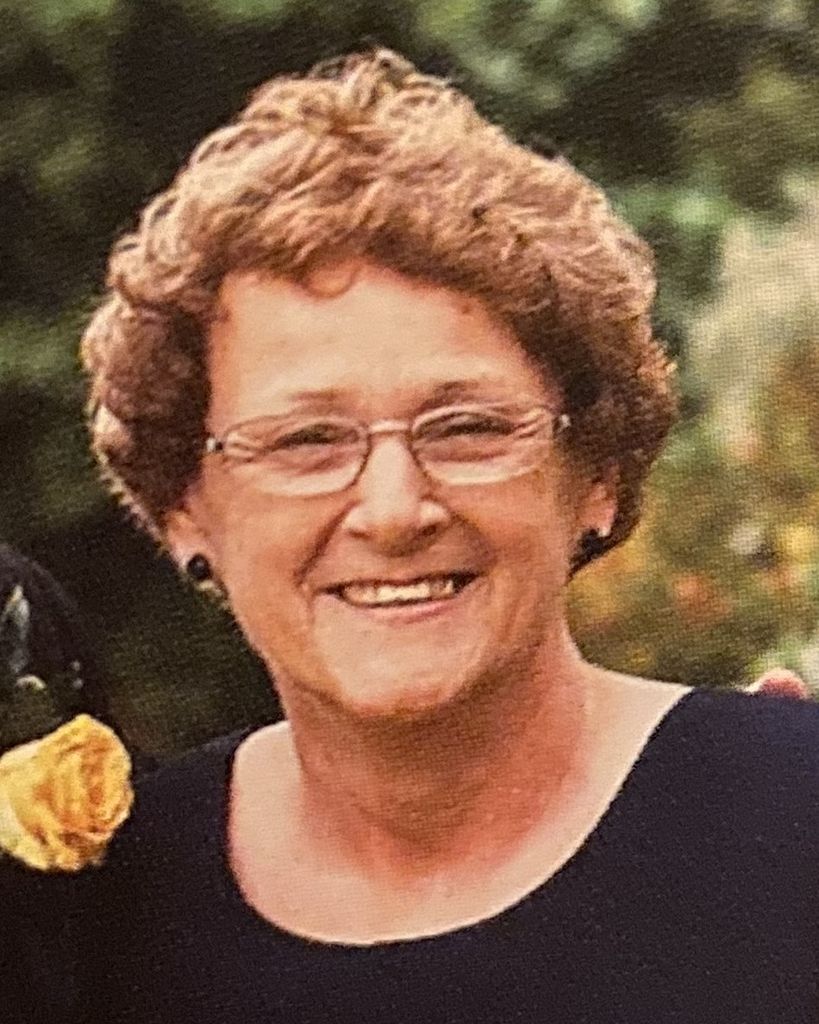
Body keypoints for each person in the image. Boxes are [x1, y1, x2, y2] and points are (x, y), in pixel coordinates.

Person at [74, 50, 817, 1023]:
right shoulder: (96, 915)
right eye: (305, 441)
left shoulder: (792, 819)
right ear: (184, 507)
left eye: (467, 429)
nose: (394, 511)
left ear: (595, 473)